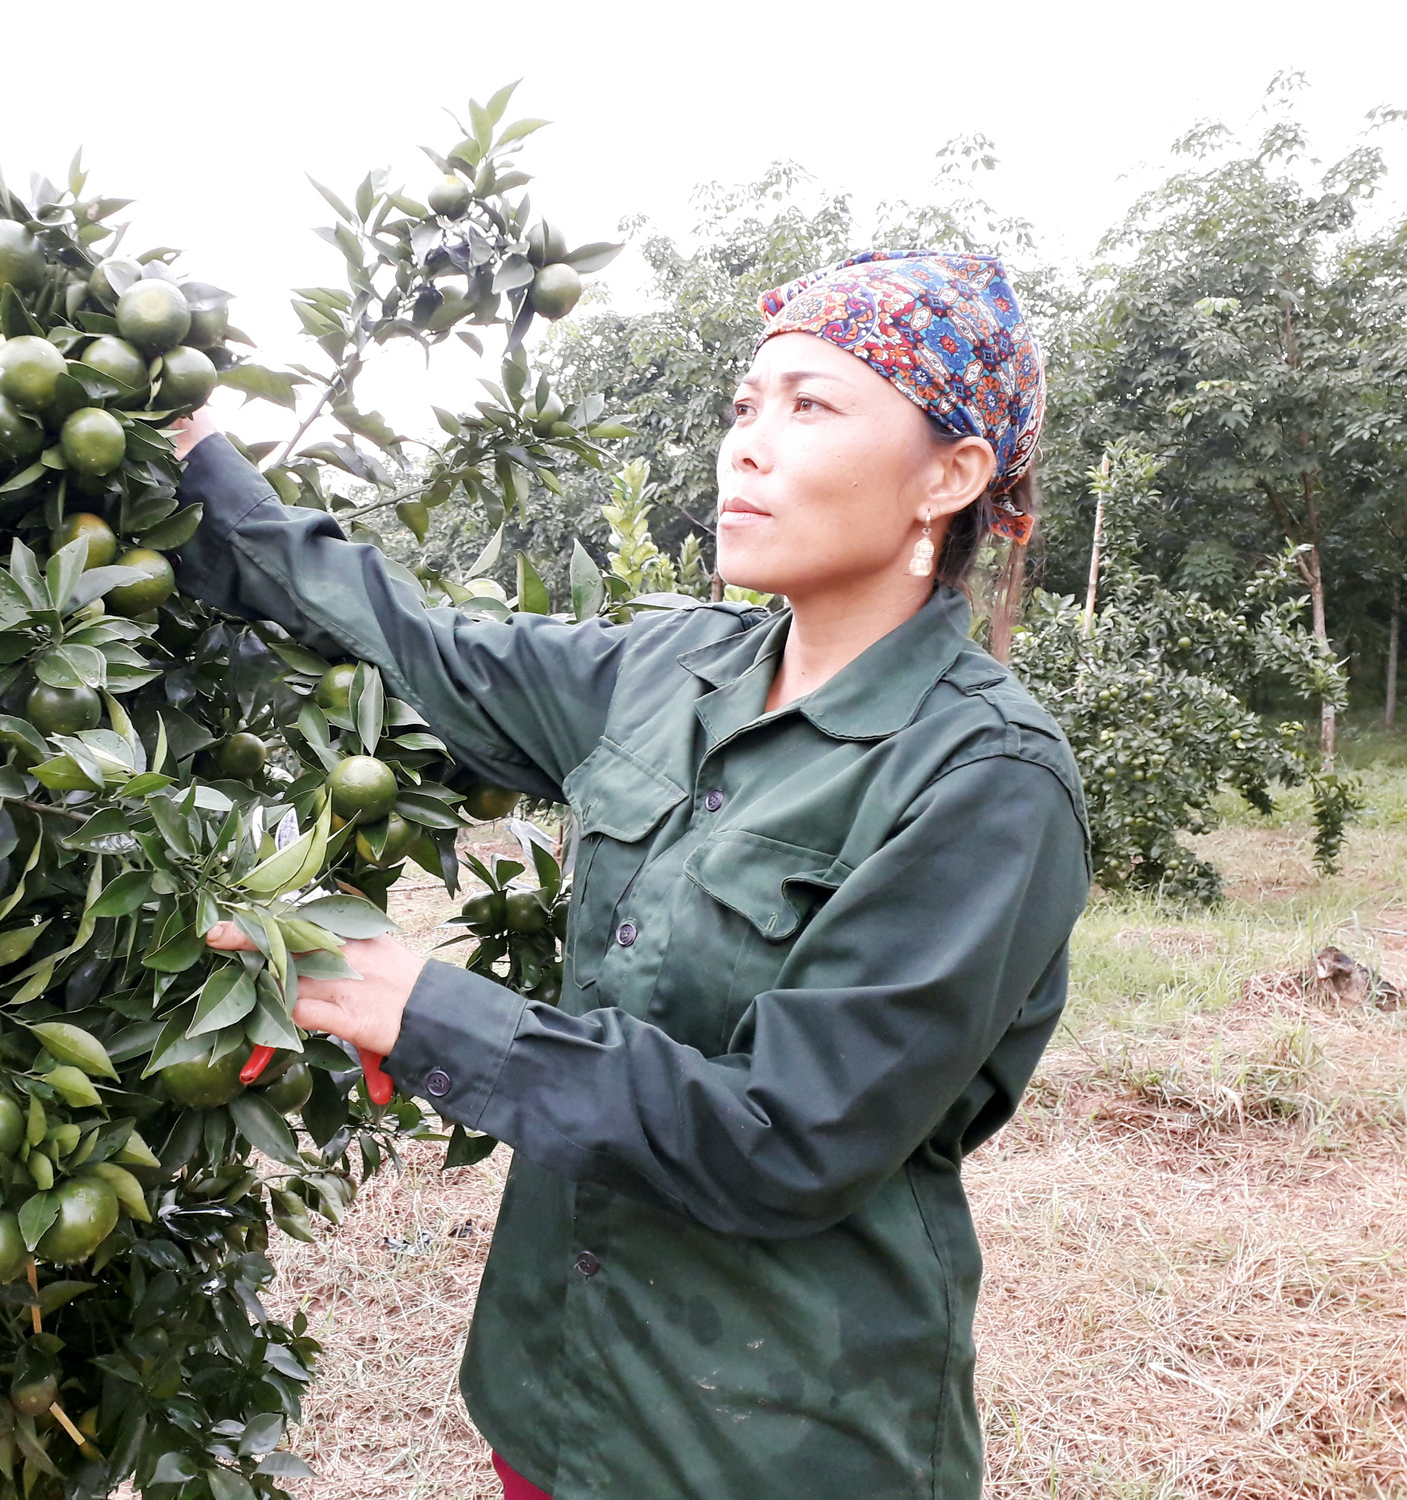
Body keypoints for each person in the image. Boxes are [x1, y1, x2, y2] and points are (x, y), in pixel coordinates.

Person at [169, 250, 1090, 1500]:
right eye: (743, 407)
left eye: (810, 405)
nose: (746, 448)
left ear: (951, 474)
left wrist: (428, 1012)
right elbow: (400, 643)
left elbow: (787, 1137)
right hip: (554, 1400)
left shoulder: (984, 781)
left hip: (764, 1442)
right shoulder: (663, 672)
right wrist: (192, 456)